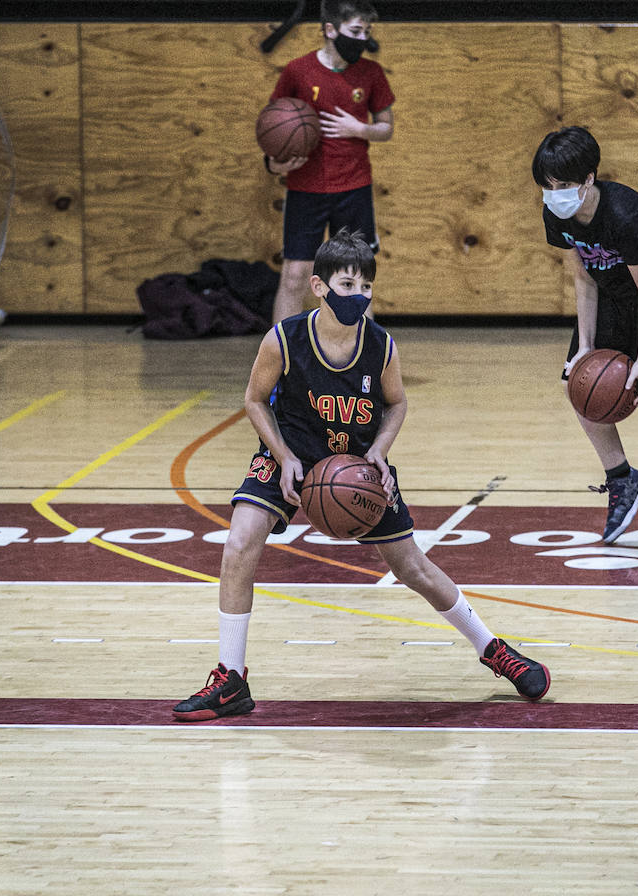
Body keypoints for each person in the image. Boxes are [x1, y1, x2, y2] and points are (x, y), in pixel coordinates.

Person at [174, 230, 550, 721]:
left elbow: (396, 403)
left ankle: (493, 648)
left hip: (355, 465)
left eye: (366, 286)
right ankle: (230, 678)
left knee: (411, 567)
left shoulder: (381, 347)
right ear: (319, 286)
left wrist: (378, 451)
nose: (359, 295)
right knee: (239, 541)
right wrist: (284, 456)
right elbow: (253, 401)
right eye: (348, 285)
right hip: (291, 451)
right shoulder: (284, 338)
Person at [532, 126, 638, 550]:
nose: (554, 194)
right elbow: (583, 276)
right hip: (606, 289)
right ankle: (622, 479)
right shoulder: (556, 214)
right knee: (577, 384)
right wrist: (584, 347)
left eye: (563, 185)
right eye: (547, 186)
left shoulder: (623, 215)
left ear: (589, 179)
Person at [265, 0, 394, 324]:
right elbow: (273, 126)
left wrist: (359, 129)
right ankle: (281, 359)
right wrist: (273, 164)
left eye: (367, 31)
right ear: (330, 29)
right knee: (295, 274)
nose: (362, 38)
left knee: (357, 278)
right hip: (306, 188)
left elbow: (386, 127)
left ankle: (365, 358)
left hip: (353, 187)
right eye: (355, 31)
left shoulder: (372, 73)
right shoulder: (298, 71)